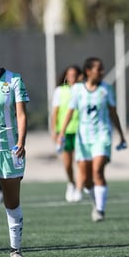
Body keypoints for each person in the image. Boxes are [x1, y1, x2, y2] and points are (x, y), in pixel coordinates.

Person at [58, 57, 127, 222]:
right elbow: (70, 111)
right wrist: (62, 132)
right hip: (83, 138)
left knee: (98, 171)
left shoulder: (106, 89)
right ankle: (96, 202)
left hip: (102, 136)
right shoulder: (78, 90)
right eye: (99, 69)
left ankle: (101, 210)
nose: (102, 72)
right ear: (88, 71)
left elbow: (113, 112)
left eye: (103, 69)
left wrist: (121, 135)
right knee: (87, 179)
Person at [0, 49, 30, 257]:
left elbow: (21, 114)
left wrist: (21, 141)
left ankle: (15, 250)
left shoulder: (13, 79)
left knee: (11, 202)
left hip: (10, 150)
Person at [50, 65, 83, 202]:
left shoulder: (83, 90)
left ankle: (79, 189)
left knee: (81, 162)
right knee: (68, 164)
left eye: (75, 75)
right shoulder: (60, 91)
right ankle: (71, 183)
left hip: (81, 131)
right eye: (69, 75)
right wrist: (55, 131)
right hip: (65, 132)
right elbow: (55, 113)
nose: (72, 77)